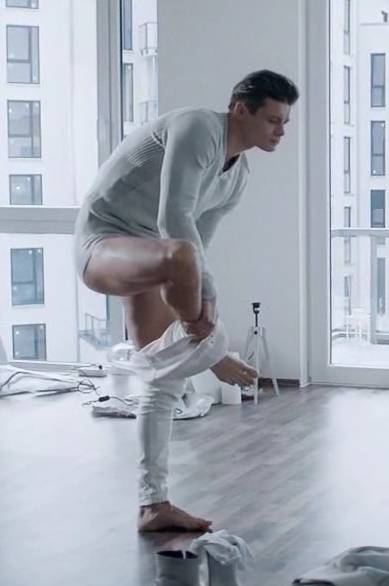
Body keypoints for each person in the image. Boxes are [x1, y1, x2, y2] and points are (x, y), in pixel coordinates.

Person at [75, 69, 299, 534]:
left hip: (158, 255)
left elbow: (201, 246)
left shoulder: (237, 178)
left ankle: (152, 504)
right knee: (179, 255)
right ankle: (214, 355)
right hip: (105, 243)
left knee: (162, 377)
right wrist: (209, 326)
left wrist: (206, 300)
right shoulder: (198, 128)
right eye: (273, 120)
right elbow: (173, 217)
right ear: (241, 110)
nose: (281, 131)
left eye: (284, 122)